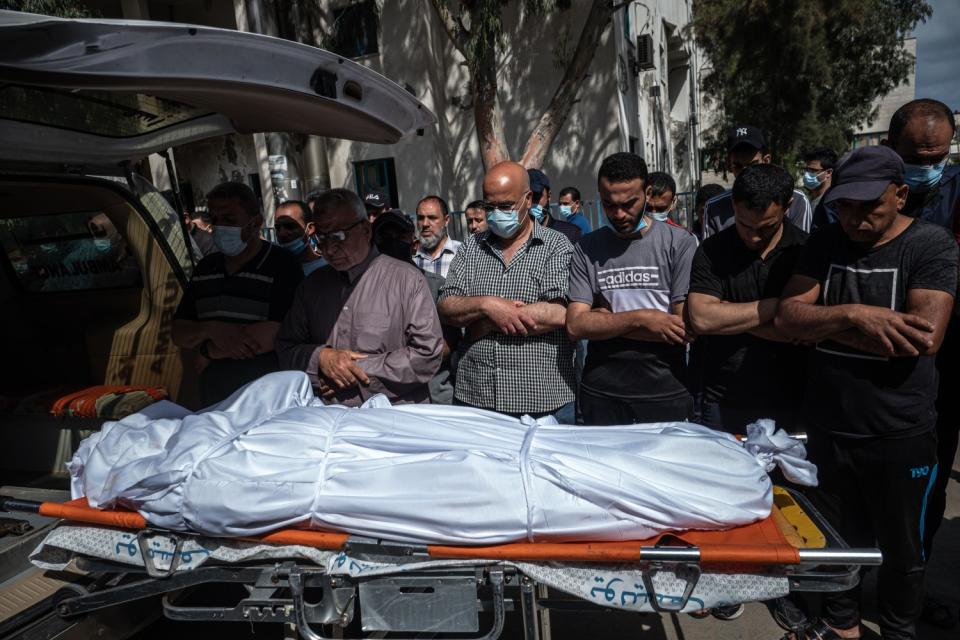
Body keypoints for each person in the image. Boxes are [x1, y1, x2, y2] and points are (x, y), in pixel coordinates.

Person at [775, 145, 957, 640]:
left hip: (900, 433)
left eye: (868, 206)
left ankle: (899, 630)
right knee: (837, 544)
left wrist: (820, 326)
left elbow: (922, 338)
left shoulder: (930, 246)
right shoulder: (826, 241)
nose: (854, 218)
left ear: (900, 195)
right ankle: (842, 625)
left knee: (904, 551)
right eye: (845, 206)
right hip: (830, 428)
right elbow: (789, 315)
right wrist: (857, 315)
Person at [882, 97, 960, 629]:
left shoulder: (957, 193)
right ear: (893, 149)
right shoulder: (864, 192)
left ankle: (911, 589)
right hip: (876, 373)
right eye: (918, 154)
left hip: (944, 372)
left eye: (941, 153)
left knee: (927, 490)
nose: (931, 163)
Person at [276, 189, 443, 406]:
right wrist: (321, 358)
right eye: (321, 238)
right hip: (328, 420)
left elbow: (426, 355)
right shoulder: (311, 287)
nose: (329, 249)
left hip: (395, 419)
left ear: (365, 229)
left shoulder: (407, 280)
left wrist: (353, 371)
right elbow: (286, 348)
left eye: (338, 236)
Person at [566, 152, 697, 425]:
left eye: (628, 203)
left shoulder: (679, 243)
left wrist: (606, 321)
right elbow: (576, 326)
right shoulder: (587, 248)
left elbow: (682, 328)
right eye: (609, 205)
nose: (619, 214)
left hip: (664, 387)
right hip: (602, 390)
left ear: (647, 193)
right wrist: (645, 318)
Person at [438, 161, 575, 421]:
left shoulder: (556, 245)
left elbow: (559, 312)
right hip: (475, 397)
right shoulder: (471, 248)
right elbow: (447, 304)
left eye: (505, 206)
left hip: (542, 401)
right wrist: (488, 305)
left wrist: (486, 324)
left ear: (529, 199)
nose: (496, 213)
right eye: (490, 207)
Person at [686, 164, 807, 434]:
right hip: (724, 401)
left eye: (766, 227)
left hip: (794, 398)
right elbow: (702, 318)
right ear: (733, 205)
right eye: (744, 224)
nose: (753, 236)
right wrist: (778, 308)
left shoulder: (806, 250)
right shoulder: (712, 251)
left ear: (787, 207)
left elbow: (802, 329)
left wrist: (728, 314)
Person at [172, 182, 303, 406]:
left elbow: (276, 332)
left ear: (256, 224)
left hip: (266, 398)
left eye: (229, 220)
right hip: (213, 398)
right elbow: (178, 333)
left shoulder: (282, 264)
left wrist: (210, 350)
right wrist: (211, 328)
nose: (219, 227)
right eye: (214, 220)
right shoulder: (206, 268)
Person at [373, 211, 461, 405]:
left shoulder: (437, 286)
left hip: (433, 397)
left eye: (400, 237)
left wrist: (391, 363)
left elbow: (446, 345)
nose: (392, 242)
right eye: (385, 237)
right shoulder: (364, 290)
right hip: (382, 398)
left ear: (414, 246)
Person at [702, 125, 812, 238]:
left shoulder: (796, 201)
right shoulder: (715, 208)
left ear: (766, 160)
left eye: (752, 165)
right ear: (729, 165)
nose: (745, 173)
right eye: (738, 166)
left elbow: (800, 249)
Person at [528, 168, 582, 244]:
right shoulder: (513, 237)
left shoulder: (570, 233)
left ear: (549, 196)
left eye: (536, 197)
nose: (531, 203)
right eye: (527, 197)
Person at [274, 199, 326, 277]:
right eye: (278, 228)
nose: (282, 233)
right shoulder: (273, 269)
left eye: (290, 226)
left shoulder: (328, 269)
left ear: (310, 228)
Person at [414, 195, 461, 278]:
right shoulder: (410, 257)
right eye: (420, 218)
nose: (425, 224)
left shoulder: (462, 252)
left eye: (432, 218)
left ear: (446, 220)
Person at [802, 148, 838, 228]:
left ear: (828, 172)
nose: (807, 174)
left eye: (812, 170)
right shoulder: (806, 199)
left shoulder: (831, 205)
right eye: (806, 169)